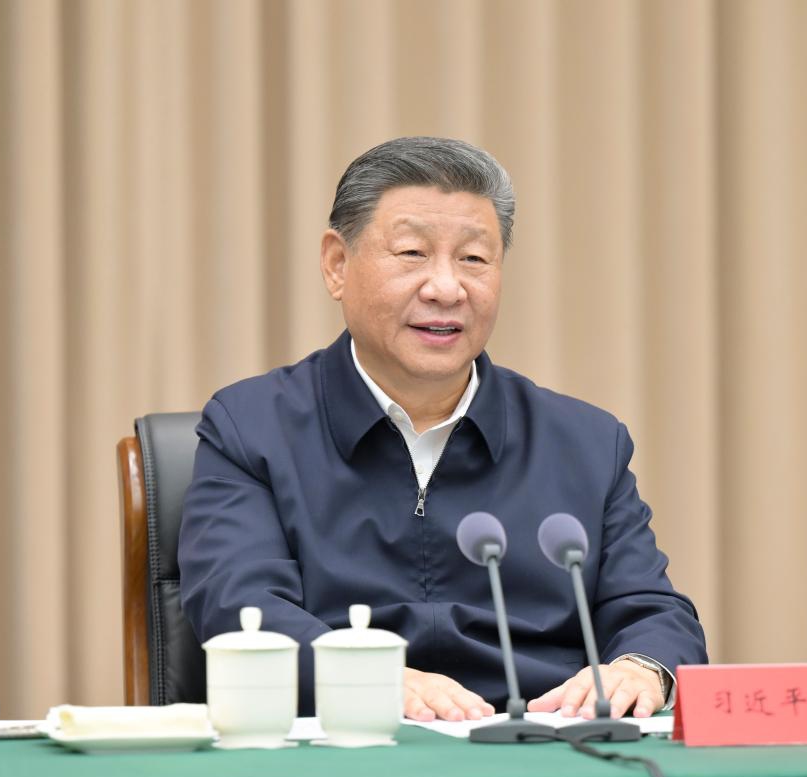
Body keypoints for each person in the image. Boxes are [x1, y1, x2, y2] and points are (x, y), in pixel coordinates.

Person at [178, 137, 707, 722]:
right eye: (411, 253)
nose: (447, 288)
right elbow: (240, 606)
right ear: (337, 264)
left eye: (475, 260)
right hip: (346, 744)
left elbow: (653, 610)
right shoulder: (251, 428)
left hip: (540, 752)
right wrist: (367, 676)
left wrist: (642, 665)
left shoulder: (585, 441)